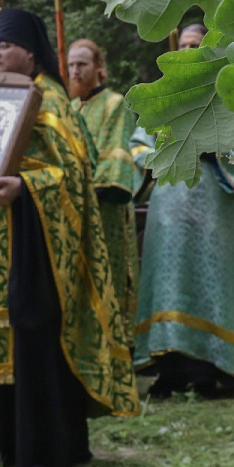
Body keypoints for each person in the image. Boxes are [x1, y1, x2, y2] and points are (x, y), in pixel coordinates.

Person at [0, 8, 139, 467]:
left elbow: (74, 178)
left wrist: (24, 187)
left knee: (28, 340)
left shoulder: (52, 100)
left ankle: (38, 444)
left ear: (30, 52)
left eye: (4, 46)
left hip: (31, 252)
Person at [132, 23, 234, 398]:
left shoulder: (230, 91)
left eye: (196, 45)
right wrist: (160, 153)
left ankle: (211, 370)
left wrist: (214, 147)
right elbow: (138, 143)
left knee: (211, 284)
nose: (188, 51)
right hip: (170, 206)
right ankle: (169, 370)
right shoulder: (165, 92)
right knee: (170, 284)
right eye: (183, 45)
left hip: (215, 203)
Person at [67, 39, 140, 336]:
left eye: (82, 64)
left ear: (99, 67)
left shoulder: (115, 103)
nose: (75, 71)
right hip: (75, 208)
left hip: (107, 206)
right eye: (71, 65)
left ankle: (116, 342)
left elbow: (115, 156)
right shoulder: (71, 107)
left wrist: (87, 191)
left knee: (109, 273)